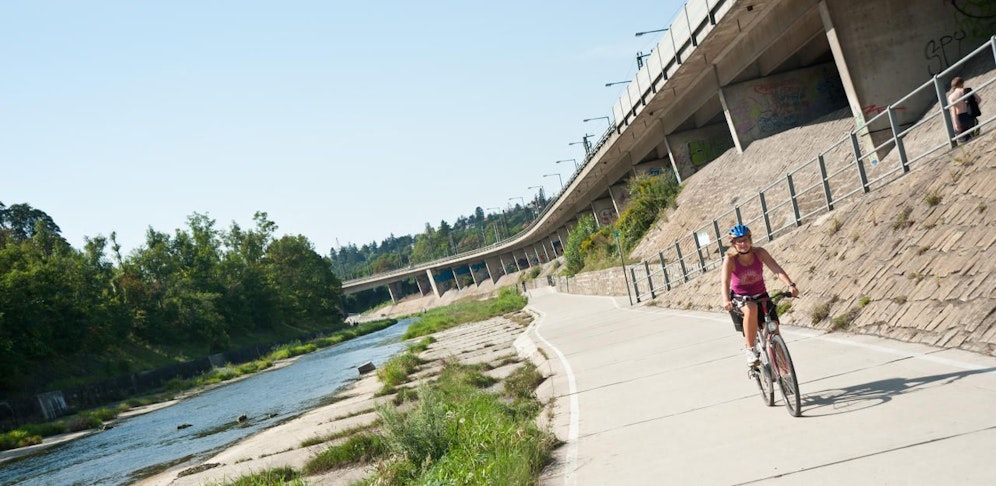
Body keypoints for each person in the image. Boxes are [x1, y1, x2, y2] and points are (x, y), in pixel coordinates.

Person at [720, 225, 799, 366]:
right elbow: (725, 281)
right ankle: (750, 349)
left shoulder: (760, 253)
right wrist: (726, 300)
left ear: (750, 240)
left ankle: (784, 374)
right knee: (751, 308)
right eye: (739, 241)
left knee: (774, 329)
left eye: (745, 240)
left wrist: (790, 284)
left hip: (761, 295)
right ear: (733, 244)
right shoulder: (730, 260)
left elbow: (776, 269)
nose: (743, 244)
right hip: (741, 297)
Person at [948, 76, 982, 143]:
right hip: (970, 115)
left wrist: (956, 124)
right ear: (961, 83)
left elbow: (953, 112)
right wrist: (972, 106)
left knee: (964, 141)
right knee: (976, 137)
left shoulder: (951, 97)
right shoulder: (967, 90)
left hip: (961, 118)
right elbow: (978, 99)